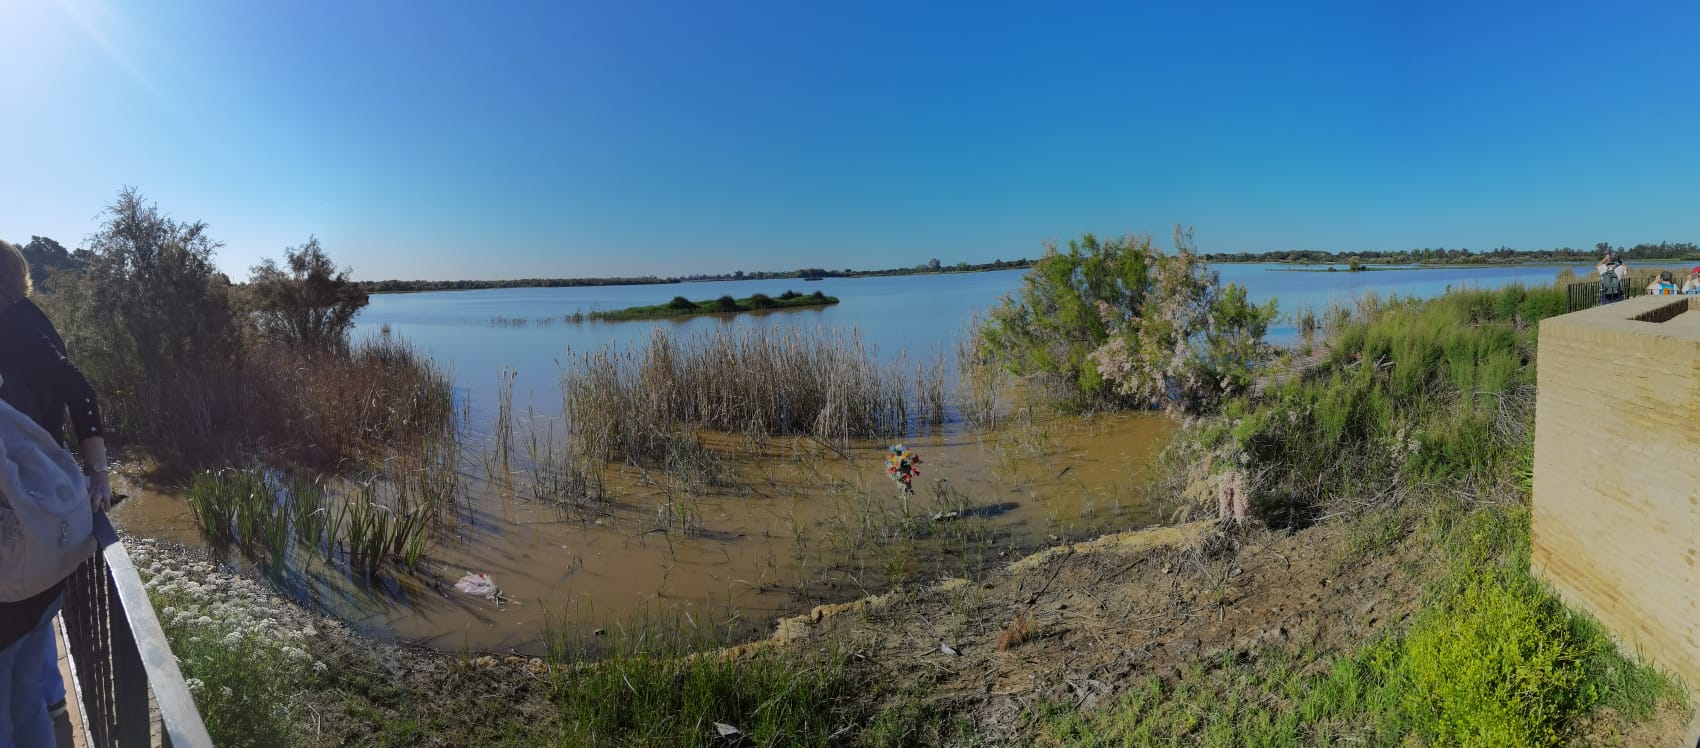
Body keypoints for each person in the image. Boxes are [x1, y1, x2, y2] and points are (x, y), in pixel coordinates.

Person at [0, 239, 110, 747]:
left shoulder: (15, 325)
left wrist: (100, 473)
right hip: (41, 526)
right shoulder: (31, 317)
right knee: (26, 683)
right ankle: (52, 702)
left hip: (21, 530)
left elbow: (78, 389)